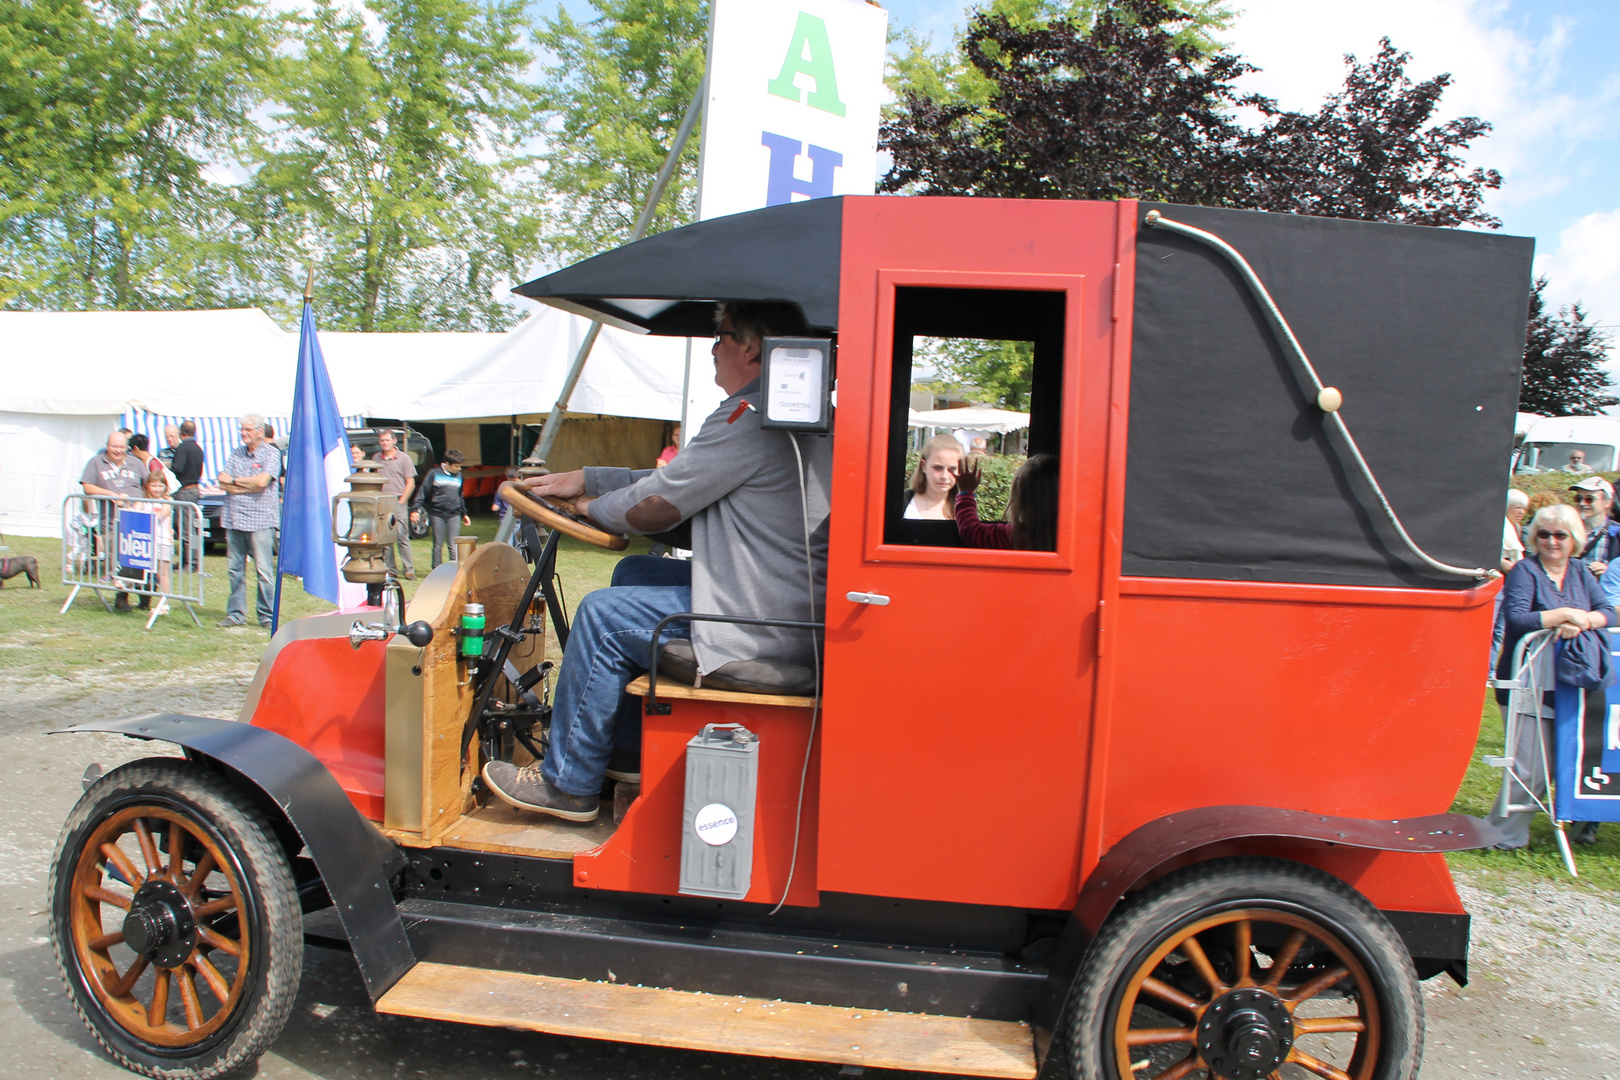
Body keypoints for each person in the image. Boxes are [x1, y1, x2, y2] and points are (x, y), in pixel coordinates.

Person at [482, 301, 833, 822]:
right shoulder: (791, 416)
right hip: (786, 608)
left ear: (752, 347)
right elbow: (681, 478)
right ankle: (622, 755)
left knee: (603, 615)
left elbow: (655, 506)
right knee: (635, 573)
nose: (713, 348)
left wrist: (586, 507)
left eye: (720, 335)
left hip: (765, 624)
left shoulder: (749, 417)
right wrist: (588, 479)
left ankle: (567, 785)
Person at [1489, 504, 1614, 850]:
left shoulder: (1580, 572)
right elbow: (1516, 619)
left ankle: (1504, 828)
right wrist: (1563, 614)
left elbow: (1606, 610)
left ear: (1574, 539)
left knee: (1558, 761)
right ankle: (1504, 835)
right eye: (1543, 534)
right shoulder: (1525, 572)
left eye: (1559, 535)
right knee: (1529, 766)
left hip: (1569, 684)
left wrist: (1583, 621)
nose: (1551, 541)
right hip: (1525, 681)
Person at [216, 414, 281, 629]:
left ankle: (266, 615)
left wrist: (235, 482)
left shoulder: (271, 454)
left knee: (264, 571)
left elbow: (262, 482)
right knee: (235, 570)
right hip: (234, 519)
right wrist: (245, 485)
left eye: (248, 430)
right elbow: (222, 483)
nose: (244, 433)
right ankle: (235, 614)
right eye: (242, 430)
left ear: (260, 432)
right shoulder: (236, 453)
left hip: (261, 520)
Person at [80, 431, 150, 612]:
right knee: (119, 561)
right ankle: (122, 598)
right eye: (114, 446)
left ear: (127, 447)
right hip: (111, 521)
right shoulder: (96, 462)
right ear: (107, 445)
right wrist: (111, 494)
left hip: (137, 519)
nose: (117, 450)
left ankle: (146, 596)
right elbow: (87, 486)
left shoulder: (136, 462)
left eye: (121, 447)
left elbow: (147, 484)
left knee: (141, 559)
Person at [953, 454, 1059, 550]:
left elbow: (972, 532)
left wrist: (965, 493)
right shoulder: (1070, 537)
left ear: (1020, 498)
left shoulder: (1013, 536)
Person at [411, 450, 471, 569]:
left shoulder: (459, 476)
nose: (459, 469)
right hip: (437, 513)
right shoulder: (434, 473)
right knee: (438, 544)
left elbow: (460, 495)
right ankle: (436, 569)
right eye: (456, 466)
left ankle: (455, 570)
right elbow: (423, 491)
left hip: (454, 514)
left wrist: (464, 513)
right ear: (447, 463)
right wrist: (415, 508)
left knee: (453, 544)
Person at [373, 429, 417, 580]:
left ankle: (409, 569)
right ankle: (391, 569)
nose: (384, 443)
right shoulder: (376, 459)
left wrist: (402, 501)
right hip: (382, 501)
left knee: (402, 535)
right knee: (386, 538)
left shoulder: (404, 458)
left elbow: (410, 482)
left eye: (387, 440)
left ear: (394, 441)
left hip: (398, 500)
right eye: (382, 440)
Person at [135, 468, 174, 618]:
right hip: (146, 542)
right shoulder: (142, 501)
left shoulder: (167, 501)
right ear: (147, 486)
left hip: (163, 541)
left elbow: (160, 516)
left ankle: (164, 604)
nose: (157, 489)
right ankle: (125, 585)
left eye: (160, 486)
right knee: (137, 569)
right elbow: (134, 511)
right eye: (153, 485)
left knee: (163, 574)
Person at [170, 420, 206, 572]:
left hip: (185, 490)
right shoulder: (198, 448)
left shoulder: (183, 448)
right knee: (193, 527)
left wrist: (168, 467)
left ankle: (189, 563)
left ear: (181, 432)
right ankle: (191, 561)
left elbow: (178, 468)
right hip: (195, 489)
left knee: (185, 528)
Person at [904, 435, 964, 520]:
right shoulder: (903, 504)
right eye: (938, 468)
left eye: (952, 469)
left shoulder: (965, 511)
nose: (944, 476)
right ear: (924, 466)